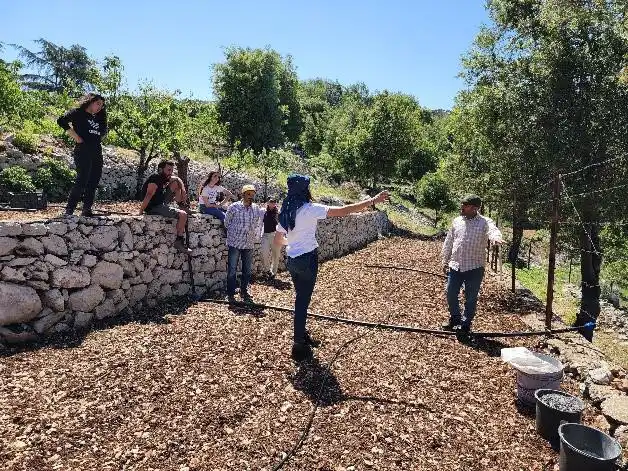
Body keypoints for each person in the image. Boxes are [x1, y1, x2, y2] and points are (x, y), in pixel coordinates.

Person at [274, 174, 389, 361]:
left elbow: (279, 240)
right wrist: (373, 200)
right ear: (304, 189)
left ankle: (301, 335)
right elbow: (344, 211)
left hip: (292, 260)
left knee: (299, 299)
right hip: (307, 258)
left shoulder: (285, 210)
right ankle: (298, 345)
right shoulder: (310, 209)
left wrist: (293, 242)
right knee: (303, 301)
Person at [441, 194, 503, 337]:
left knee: (470, 297)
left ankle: (465, 324)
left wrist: (496, 238)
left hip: (475, 267)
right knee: (450, 293)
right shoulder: (457, 221)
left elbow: (492, 230)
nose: (461, 207)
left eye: (465, 205)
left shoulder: (484, 222)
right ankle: (455, 319)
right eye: (462, 204)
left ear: (475, 208)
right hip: (455, 265)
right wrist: (445, 260)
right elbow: (449, 241)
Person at [57, 93, 107, 217]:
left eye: (102, 105)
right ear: (90, 101)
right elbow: (61, 120)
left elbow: (103, 131)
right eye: (98, 103)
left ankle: (86, 209)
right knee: (82, 179)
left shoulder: (99, 117)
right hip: (83, 150)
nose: (100, 107)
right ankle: (70, 209)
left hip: (96, 151)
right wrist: (77, 137)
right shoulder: (78, 113)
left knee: (94, 180)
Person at [224, 184, 265, 304]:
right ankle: (231, 294)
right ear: (243, 195)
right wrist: (235, 232)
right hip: (235, 242)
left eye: (253, 194)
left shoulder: (256, 208)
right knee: (232, 270)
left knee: (247, 270)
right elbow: (227, 222)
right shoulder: (234, 207)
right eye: (248, 194)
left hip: (249, 243)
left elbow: (257, 222)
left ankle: (244, 291)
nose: (251, 197)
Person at [139, 160, 191, 253]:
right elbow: (148, 195)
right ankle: (179, 241)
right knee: (183, 215)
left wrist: (183, 191)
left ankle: (181, 205)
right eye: (168, 170)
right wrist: (140, 212)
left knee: (176, 183)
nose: (170, 173)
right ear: (160, 169)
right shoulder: (155, 178)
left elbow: (177, 179)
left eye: (171, 170)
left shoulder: (164, 177)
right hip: (153, 207)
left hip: (161, 202)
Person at [261, 197, 281, 279]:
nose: (272, 203)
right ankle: (267, 270)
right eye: (271, 202)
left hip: (275, 235)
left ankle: (273, 272)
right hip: (265, 235)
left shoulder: (278, 213)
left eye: (274, 202)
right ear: (267, 203)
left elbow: (282, 224)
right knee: (264, 253)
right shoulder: (263, 211)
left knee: (276, 255)